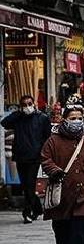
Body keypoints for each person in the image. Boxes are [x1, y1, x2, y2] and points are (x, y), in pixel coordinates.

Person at [41, 96, 84, 244]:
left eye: (79, 118)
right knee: (62, 231)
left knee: (80, 232)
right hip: (62, 195)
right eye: (72, 118)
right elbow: (45, 159)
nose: (77, 121)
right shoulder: (53, 141)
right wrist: (55, 170)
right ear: (64, 119)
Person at [2, 94, 52, 223]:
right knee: (25, 185)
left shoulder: (41, 118)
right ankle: (37, 208)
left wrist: (44, 153)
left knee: (30, 184)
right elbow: (4, 123)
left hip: (35, 157)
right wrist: (18, 113)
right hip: (20, 156)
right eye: (24, 105)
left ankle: (27, 212)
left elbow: (48, 137)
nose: (27, 107)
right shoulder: (18, 118)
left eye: (29, 104)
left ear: (34, 104)